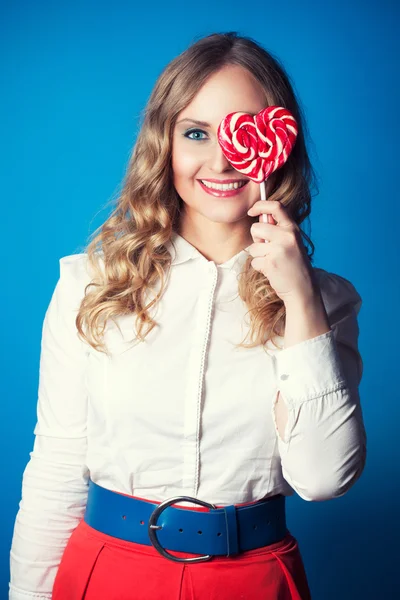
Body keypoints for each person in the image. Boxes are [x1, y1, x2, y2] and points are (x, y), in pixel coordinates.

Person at [9, 31, 367, 600]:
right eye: (196, 133)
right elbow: (55, 467)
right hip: (107, 571)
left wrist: (298, 299)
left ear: (280, 143)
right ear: (164, 144)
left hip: (252, 578)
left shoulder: (326, 303)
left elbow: (324, 479)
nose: (222, 159)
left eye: (241, 132)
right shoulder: (91, 285)